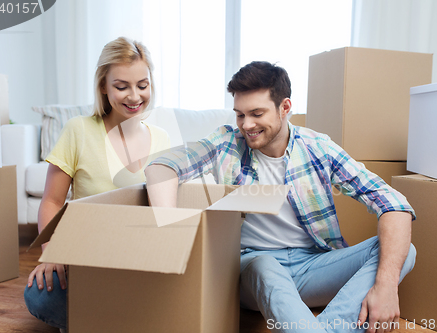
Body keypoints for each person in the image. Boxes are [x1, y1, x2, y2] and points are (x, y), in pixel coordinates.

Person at [144, 61, 416, 333]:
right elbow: (161, 167)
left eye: (256, 113)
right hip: (253, 266)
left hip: (312, 265)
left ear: (284, 107)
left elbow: (394, 204)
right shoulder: (226, 143)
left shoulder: (317, 147)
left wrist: (386, 286)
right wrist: (170, 230)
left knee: (402, 251)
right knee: (266, 266)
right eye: (239, 115)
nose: (246, 125)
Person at [24, 37, 170, 332]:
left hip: (136, 262)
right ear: (103, 85)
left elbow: (167, 214)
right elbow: (52, 201)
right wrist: (53, 252)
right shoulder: (78, 130)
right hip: (84, 258)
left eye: (143, 85)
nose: (134, 96)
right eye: (122, 86)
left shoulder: (163, 139)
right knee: (39, 297)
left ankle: (101, 317)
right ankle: (115, 318)